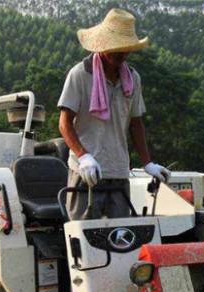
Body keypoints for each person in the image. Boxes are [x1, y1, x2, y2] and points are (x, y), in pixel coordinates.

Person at [58, 8, 171, 220]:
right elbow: (65, 123)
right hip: (87, 170)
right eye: (115, 48)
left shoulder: (132, 79)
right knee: (84, 235)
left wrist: (147, 162)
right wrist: (84, 156)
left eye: (124, 49)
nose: (120, 54)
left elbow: (136, 123)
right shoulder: (80, 75)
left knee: (120, 237)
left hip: (118, 170)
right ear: (102, 46)